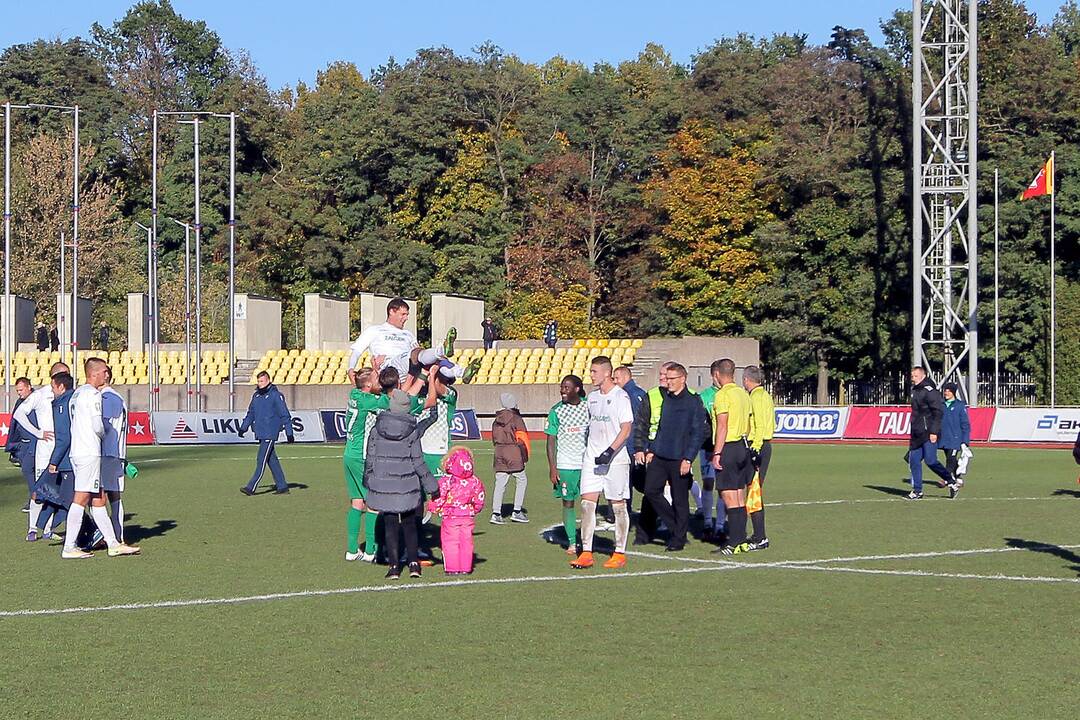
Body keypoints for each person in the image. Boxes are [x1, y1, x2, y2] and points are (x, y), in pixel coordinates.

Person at [61, 357, 140, 559]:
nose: (107, 374)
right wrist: (105, 435)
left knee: (98, 498)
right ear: (94, 373)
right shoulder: (94, 394)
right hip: (89, 451)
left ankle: (113, 543)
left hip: (78, 450)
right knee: (81, 498)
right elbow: (98, 425)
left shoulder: (76, 394)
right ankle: (69, 546)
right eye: (104, 371)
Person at [364, 389, 439, 580]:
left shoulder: (377, 429)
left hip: (384, 484)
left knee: (389, 524)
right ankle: (414, 564)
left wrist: (368, 480)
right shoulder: (412, 431)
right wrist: (432, 486)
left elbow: (370, 458)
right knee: (409, 524)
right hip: (407, 484)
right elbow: (418, 461)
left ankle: (394, 566)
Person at [571, 355, 633, 570]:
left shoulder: (621, 397)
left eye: (594, 372)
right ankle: (586, 551)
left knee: (617, 505)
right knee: (587, 504)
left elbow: (626, 428)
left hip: (615, 460)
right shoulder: (593, 398)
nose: (591, 375)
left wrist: (610, 451)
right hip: (592, 458)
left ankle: (619, 552)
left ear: (607, 373)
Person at [640, 363, 706, 552]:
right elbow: (662, 427)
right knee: (651, 491)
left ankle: (678, 538)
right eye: (666, 378)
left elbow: (697, 433)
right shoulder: (667, 398)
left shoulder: (693, 402)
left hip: (680, 458)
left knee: (680, 499)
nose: (667, 382)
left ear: (682, 379)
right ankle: (677, 527)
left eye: (671, 379)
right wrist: (651, 449)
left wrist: (688, 459)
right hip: (660, 454)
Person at [15, 362, 69, 532]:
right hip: (45, 449)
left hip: (64, 449)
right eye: (64, 373)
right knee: (40, 489)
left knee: (59, 489)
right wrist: (38, 433)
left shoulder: (70, 395)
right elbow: (19, 414)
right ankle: (32, 528)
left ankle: (48, 529)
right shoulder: (42, 394)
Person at [710, 358, 752, 554]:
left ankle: (733, 542)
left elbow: (722, 425)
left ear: (717, 374)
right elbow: (750, 423)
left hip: (728, 446)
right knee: (739, 494)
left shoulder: (722, 395)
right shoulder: (743, 394)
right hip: (743, 446)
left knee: (728, 495)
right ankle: (742, 539)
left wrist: (717, 452)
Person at [546, 375, 589, 555]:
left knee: (588, 504)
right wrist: (553, 467)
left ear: (577, 389)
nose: (562, 390)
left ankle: (587, 541)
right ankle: (572, 542)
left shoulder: (589, 406)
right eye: (562, 387)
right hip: (565, 465)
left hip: (587, 464)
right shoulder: (556, 411)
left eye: (566, 387)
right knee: (568, 503)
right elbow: (550, 440)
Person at [426, 446, 486, 574]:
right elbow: (479, 499)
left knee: (450, 543)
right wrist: (474, 509)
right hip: (467, 517)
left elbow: (439, 497)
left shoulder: (447, 481)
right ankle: (465, 568)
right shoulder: (475, 481)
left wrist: (433, 508)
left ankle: (452, 568)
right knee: (466, 543)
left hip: (450, 517)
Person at [343, 368, 382, 562]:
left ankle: (352, 549)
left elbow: (357, 380)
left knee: (357, 501)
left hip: (349, 454)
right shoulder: (369, 401)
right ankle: (370, 550)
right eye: (377, 379)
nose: (380, 381)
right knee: (373, 503)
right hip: (362, 456)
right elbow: (390, 401)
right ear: (367, 385)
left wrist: (375, 367)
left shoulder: (355, 393)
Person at [32, 372, 76, 542]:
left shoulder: (62, 404)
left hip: (67, 460)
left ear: (61, 387)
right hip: (73, 458)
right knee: (66, 497)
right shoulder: (72, 400)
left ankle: (84, 534)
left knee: (67, 499)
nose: (52, 391)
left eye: (53, 387)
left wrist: (54, 462)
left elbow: (64, 437)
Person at [238, 371, 295, 496]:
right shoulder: (256, 396)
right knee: (272, 460)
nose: (260, 384)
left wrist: (289, 432)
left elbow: (284, 414)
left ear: (268, 380)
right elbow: (251, 413)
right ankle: (282, 486)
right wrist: (243, 428)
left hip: (270, 433)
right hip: (260, 432)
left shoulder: (276, 396)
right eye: (258, 381)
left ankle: (251, 487)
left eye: (262, 381)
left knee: (261, 459)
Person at [347, 297, 419, 383]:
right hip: (388, 372)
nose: (406, 318)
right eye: (403, 314)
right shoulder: (375, 330)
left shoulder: (409, 334)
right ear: (391, 311)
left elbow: (417, 353)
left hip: (409, 370)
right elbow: (357, 351)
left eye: (407, 315)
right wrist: (351, 369)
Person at [906, 366, 951, 500]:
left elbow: (937, 412)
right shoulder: (915, 391)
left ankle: (951, 480)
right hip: (917, 432)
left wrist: (934, 431)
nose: (912, 378)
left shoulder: (930, 391)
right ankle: (917, 490)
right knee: (913, 460)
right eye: (912, 376)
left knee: (931, 461)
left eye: (914, 376)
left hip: (928, 431)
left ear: (922, 376)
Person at [743, 365, 775, 550]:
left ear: (747, 379)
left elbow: (760, 424)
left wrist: (754, 450)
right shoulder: (765, 395)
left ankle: (760, 536)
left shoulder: (756, 397)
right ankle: (758, 534)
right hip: (763, 444)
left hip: (759, 445)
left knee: (754, 490)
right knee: (753, 490)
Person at [697, 361, 726, 539]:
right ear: (713, 375)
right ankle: (708, 522)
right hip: (708, 446)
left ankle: (721, 525)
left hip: (726, 447)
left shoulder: (731, 394)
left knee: (723, 487)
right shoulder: (704, 396)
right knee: (708, 484)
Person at [491, 392, 529, 524]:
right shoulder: (516, 418)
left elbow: (494, 438)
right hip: (513, 451)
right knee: (521, 480)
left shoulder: (497, 419)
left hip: (499, 451)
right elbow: (523, 439)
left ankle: (496, 513)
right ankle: (517, 511)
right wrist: (524, 457)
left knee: (500, 482)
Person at [100, 367, 128, 543]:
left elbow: (104, 426)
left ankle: (108, 538)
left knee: (99, 495)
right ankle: (118, 535)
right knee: (114, 495)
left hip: (107, 453)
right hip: (117, 453)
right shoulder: (118, 397)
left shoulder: (108, 398)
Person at [6, 378, 38, 513]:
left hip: (36, 442)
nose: (19, 393)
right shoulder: (20, 402)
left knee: (32, 471)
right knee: (28, 471)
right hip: (23, 444)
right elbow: (15, 424)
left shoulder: (37, 400)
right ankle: (34, 499)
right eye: (17, 390)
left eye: (21, 390)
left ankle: (36, 500)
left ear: (29, 387)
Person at [939, 382, 971, 498]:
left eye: (948, 390)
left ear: (953, 392)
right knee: (951, 460)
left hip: (955, 439)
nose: (946, 392)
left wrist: (965, 441)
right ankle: (959, 479)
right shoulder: (940, 404)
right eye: (945, 390)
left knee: (951, 459)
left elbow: (965, 424)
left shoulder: (959, 405)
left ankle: (945, 479)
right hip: (944, 438)